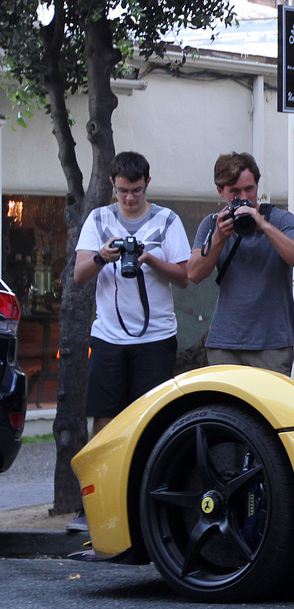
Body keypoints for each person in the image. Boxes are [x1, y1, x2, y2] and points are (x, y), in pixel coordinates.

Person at [71, 151, 191, 527]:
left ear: (147, 185)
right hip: (109, 336)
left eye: (136, 191)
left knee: (152, 420)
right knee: (105, 419)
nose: (129, 199)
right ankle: (93, 506)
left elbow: (184, 276)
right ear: (113, 185)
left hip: (156, 337)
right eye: (123, 191)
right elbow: (78, 276)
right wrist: (103, 257)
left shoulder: (167, 220)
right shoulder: (99, 219)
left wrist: (149, 258)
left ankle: (148, 505)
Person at [187, 152, 294, 374]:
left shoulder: (280, 219)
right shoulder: (212, 225)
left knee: (270, 407)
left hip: (272, 342)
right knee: (227, 409)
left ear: (257, 186)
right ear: (220, 191)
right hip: (225, 343)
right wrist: (218, 238)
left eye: (249, 189)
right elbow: (193, 274)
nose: (244, 197)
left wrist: (263, 225)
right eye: (235, 192)